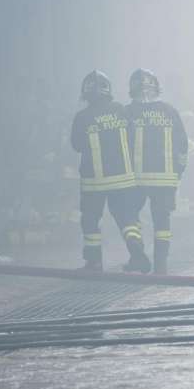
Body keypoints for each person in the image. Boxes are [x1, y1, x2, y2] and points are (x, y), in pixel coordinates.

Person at [70, 70, 148, 271]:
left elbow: (76, 145)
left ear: (86, 94)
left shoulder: (82, 117)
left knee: (91, 220)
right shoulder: (121, 110)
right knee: (127, 218)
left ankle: (94, 262)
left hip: (93, 181)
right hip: (123, 178)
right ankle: (136, 248)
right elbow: (132, 139)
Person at [126, 68, 189, 274]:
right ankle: (161, 264)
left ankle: (137, 255)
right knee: (162, 221)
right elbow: (182, 146)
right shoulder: (170, 111)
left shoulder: (127, 113)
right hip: (165, 179)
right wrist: (178, 172)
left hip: (135, 179)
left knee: (130, 216)